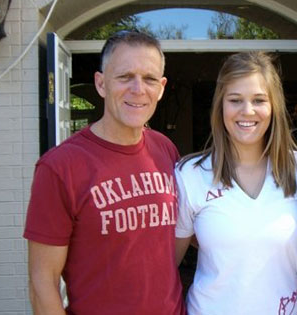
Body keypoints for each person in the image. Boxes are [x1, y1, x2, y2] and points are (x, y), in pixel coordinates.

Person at [24, 31, 185, 315]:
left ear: (161, 88)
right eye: (125, 77)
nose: (138, 89)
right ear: (101, 83)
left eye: (149, 79)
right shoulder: (60, 167)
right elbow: (42, 282)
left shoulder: (165, 149)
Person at [175, 52, 297, 314]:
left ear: (273, 105)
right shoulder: (190, 175)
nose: (247, 111)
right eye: (235, 100)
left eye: (259, 100)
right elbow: (165, 268)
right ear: (220, 105)